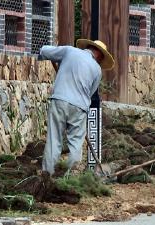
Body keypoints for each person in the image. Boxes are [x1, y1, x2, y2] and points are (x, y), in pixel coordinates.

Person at [38, 39, 115, 175]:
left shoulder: (69, 51)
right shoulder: (97, 70)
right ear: (98, 54)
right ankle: (66, 175)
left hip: (60, 100)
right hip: (79, 107)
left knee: (54, 140)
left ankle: (47, 176)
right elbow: (90, 93)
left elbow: (44, 50)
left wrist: (56, 58)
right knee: (75, 144)